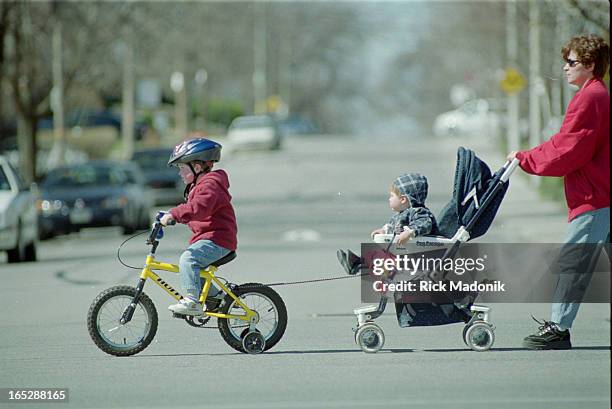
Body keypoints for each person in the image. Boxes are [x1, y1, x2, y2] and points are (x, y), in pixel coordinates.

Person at [507, 34, 610, 350]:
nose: (565, 68)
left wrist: (526, 159)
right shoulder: (595, 94)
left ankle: (558, 328)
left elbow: (570, 148)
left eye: (571, 62)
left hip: (593, 196)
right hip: (603, 191)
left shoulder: (590, 97)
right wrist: (530, 154)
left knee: (573, 262)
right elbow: (565, 141)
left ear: (590, 65)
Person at [160, 137, 238, 316]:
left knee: (188, 260)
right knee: (197, 273)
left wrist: (174, 214)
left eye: (182, 168)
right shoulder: (200, 185)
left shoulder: (210, 185)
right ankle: (219, 300)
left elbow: (199, 208)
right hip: (209, 238)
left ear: (196, 167)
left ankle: (192, 302)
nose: (179, 173)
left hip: (218, 240)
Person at [337, 172, 438, 275]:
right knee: (377, 254)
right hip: (401, 250)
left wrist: (410, 232)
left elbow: (425, 223)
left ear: (403, 199)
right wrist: (384, 230)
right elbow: (392, 226)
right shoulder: (399, 215)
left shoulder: (419, 212)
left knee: (383, 259)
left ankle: (359, 264)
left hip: (416, 252)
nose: (389, 199)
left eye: (392, 196)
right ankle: (357, 263)